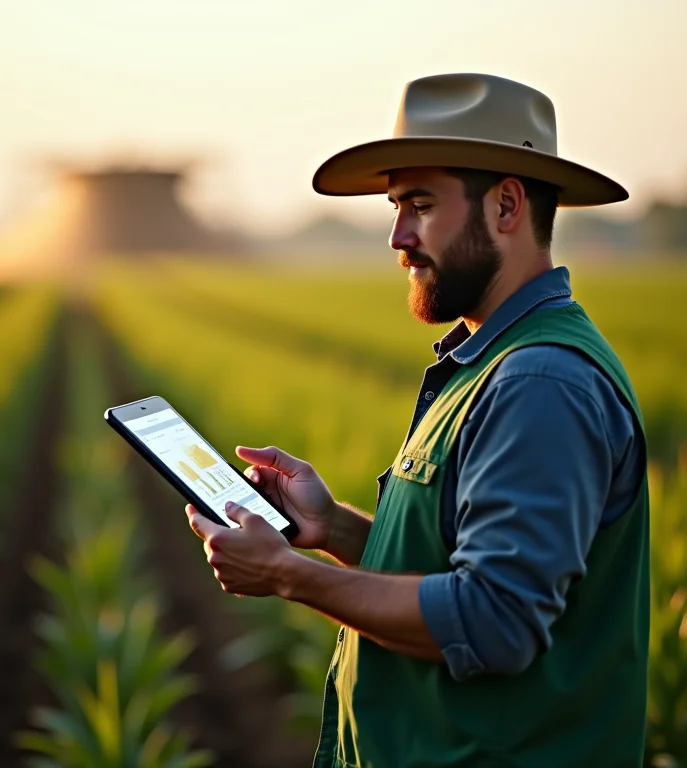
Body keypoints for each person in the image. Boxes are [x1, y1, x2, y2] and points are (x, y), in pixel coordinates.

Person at [186, 73, 649, 768]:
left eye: (419, 205)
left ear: (506, 205)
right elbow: (463, 570)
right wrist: (333, 529)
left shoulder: (538, 382)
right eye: (397, 207)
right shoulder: (496, 363)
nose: (398, 236)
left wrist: (288, 575)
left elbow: (494, 619)